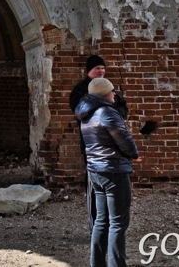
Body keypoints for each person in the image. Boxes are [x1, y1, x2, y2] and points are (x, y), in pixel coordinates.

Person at [75, 77, 139, 267]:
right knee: (118, 223)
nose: (114, 94)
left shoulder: (86, 114)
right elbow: (124, 140)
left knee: (101, 221)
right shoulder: (107, 112)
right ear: (105, 94)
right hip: (113, 171)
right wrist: (134, 154)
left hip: (95, 171)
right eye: (112, 91)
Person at [69, 54, 128, 227]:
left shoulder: (109, 88)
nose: (101, 71)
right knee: (95, 187)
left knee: (113, 186)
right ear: (89, 71)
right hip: (92, 144)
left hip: (112, 144)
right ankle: (96, 224)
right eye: (97, 68)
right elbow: (79, 109)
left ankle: (111, 223)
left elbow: (122, 107)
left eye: (103, 68)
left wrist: (117, 114)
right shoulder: (81, 89)